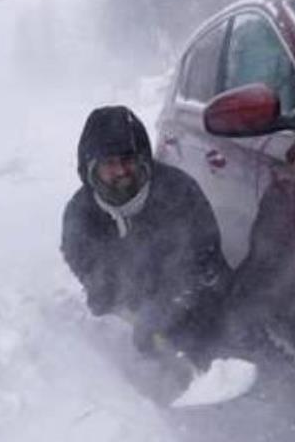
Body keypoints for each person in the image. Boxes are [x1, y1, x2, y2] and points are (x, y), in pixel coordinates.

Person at [60, 105, 235, 387]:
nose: (121, 172)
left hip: (197, 299)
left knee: (212, 334)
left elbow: (204, 258)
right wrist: (113, 296)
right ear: (91, 169)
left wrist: (166, 307)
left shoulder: (178, 192)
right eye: (109, 164)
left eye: (128, 160)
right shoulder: (81, 213)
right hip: (136, 303)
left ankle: (213, 379)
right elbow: (83, 262)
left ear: (144, 160)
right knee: (137, 349)